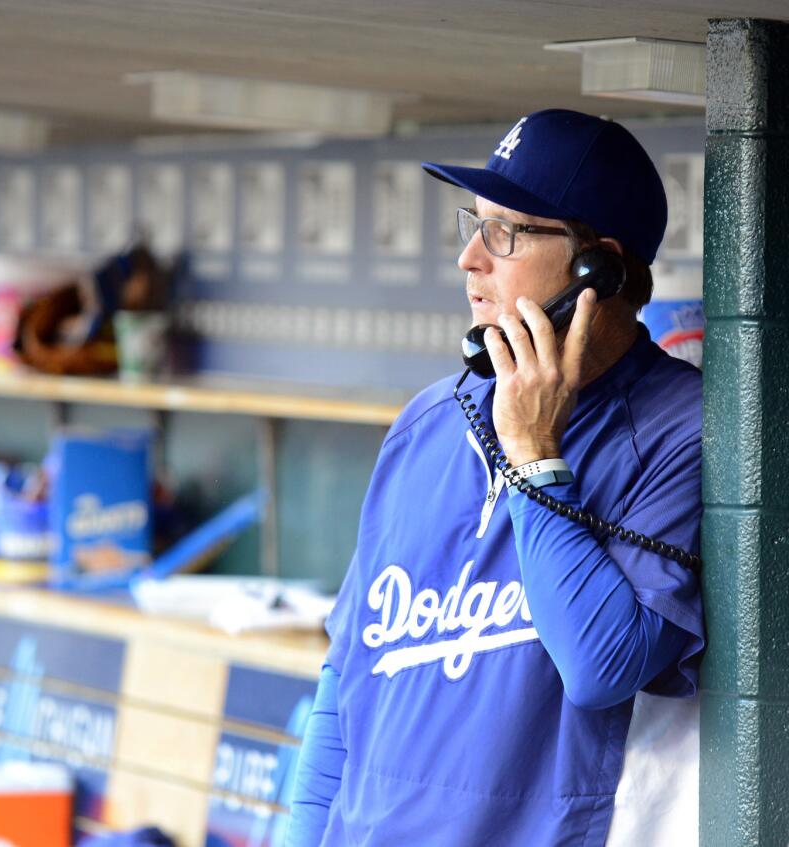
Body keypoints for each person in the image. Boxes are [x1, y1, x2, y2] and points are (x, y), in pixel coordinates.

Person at [285, 109, 705, 846]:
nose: (470, 259)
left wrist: (535, 450)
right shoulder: (428, 420)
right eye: (473, 225)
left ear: (596, 269)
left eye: (506, 231)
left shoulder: (684, 428)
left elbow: (604, 663)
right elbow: (346, 678)